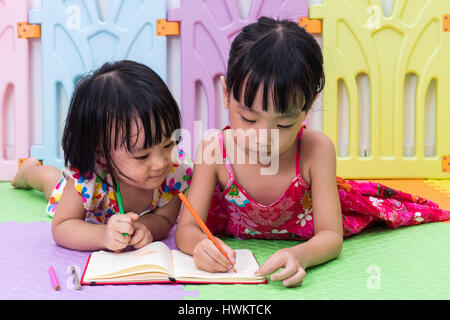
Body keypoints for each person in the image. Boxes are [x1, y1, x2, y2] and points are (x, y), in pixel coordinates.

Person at [174, 17, 450, 287]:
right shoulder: (214, 150)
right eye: (248, 119)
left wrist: (300, 255)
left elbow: (331, 235)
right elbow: (186, 228)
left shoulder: (316, 151)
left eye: (283, 123)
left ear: (308, 106)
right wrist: (200, 246)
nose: (263, 138)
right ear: (225, 93)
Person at [12, 60, 193, 252]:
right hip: (91, 210)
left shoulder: (176, 171)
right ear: (101, 154)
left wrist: (145, 227)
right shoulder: (87, 179)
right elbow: (62, 226)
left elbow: (165, 219)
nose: (160, 162)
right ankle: (29, 171)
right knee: (52, 183)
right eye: (142, 156)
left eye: (168, 144)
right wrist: (103, 235)